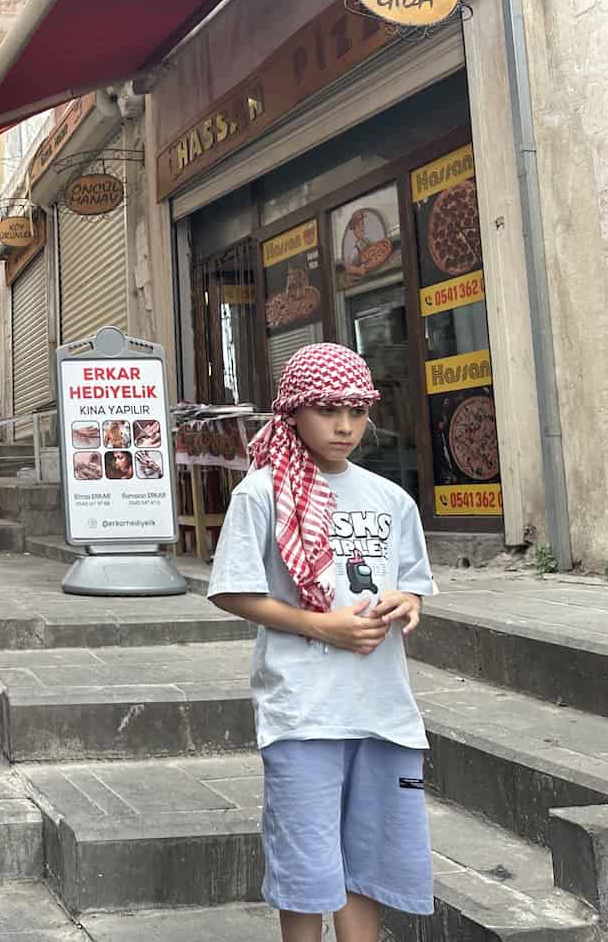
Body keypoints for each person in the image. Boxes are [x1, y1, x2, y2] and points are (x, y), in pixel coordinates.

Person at [206, 343, 436, 942]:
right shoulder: (262, 493)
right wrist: (321, 626)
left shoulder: (392, 499)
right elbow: (231, 592)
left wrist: (406, 604)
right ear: (292, 412)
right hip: (303, 710)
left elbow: (412, 584)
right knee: (305, 866)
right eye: (328, 410)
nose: (344, 427)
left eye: (358, 412)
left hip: (384, 712)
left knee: (371, 859)